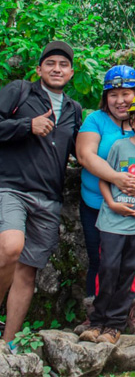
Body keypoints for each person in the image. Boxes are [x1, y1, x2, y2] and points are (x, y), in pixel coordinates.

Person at [75, 65, 135, 335]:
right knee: (102, 261)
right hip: (99, 204)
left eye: (127, 93)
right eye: (114, 94)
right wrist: (117, 178)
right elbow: (86, 155)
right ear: (105, 97)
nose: (120, 100)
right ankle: (96, 317)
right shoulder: (95, 119)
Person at [0, 41, 82, 347]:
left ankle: (6, 345)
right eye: (51, 64)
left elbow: (81, 151)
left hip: (49, 198)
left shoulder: (74, 109)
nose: (57, 69)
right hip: (12, 187)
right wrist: (26, 126)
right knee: (10, 247)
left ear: (71, 73)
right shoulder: (19, 91)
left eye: (63, 65)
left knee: (27, 273)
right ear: (39, 69)